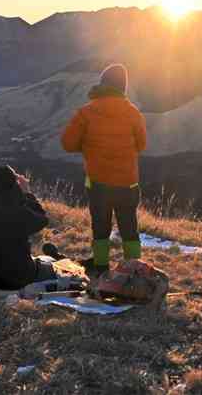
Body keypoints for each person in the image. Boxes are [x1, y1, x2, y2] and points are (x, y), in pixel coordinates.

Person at [60, 63, 147, 282]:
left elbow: (68, 144)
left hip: (98, 182)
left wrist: (89, 146)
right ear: (122, 87)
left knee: (100, 226)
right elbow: (142, 144)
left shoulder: (86, 112)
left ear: (102, 84)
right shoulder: (133, 112)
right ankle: (134, 269)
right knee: (129, 227)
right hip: (128, 182)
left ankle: (100, 267)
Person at [0, 165, 59, 289]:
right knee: (53, 266)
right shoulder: (20, 214)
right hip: (19, 277)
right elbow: (42, 219)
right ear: (12, 188)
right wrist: (26, 192)